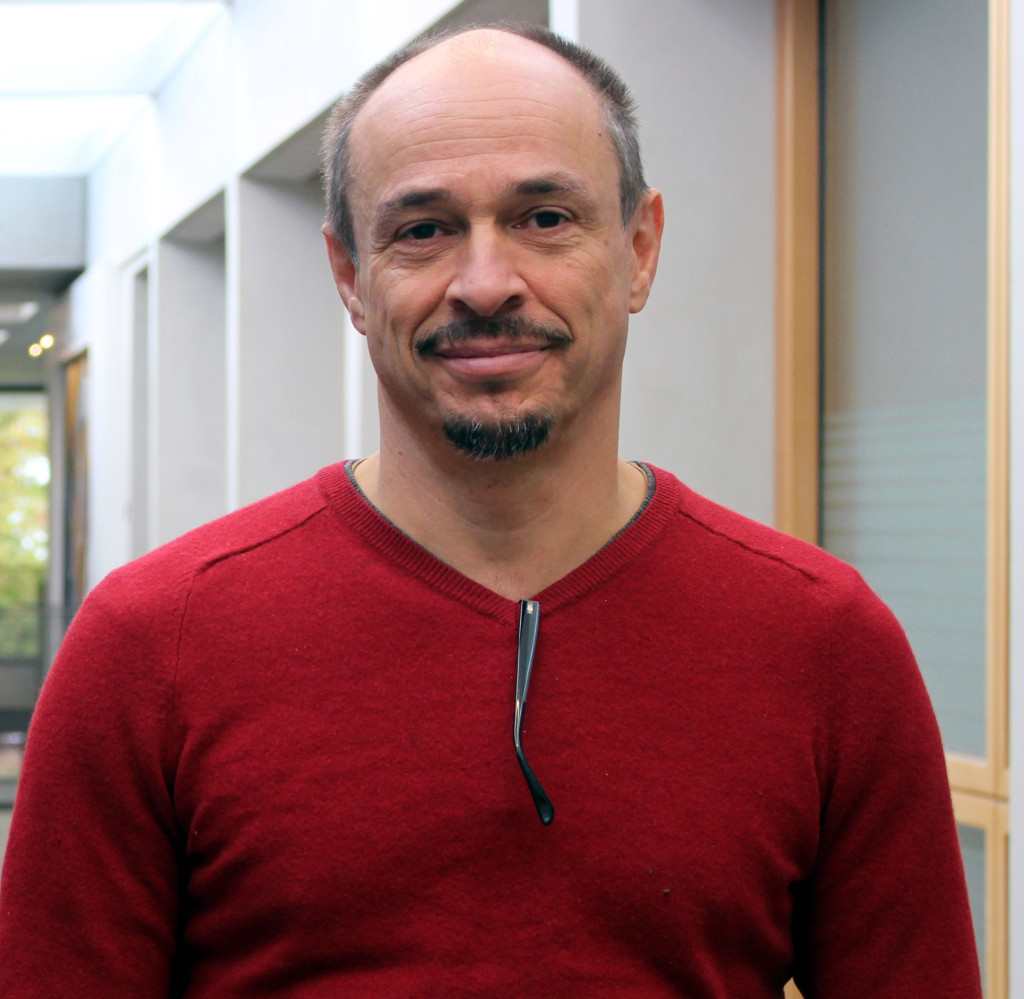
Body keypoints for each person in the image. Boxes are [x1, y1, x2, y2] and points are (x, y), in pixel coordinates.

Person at [0, 23, 981, 999]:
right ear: (349, 276)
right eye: (422, 230)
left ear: (640, 250)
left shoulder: (822, 643)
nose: (485, 284)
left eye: (545, 218)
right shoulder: (154, 647)